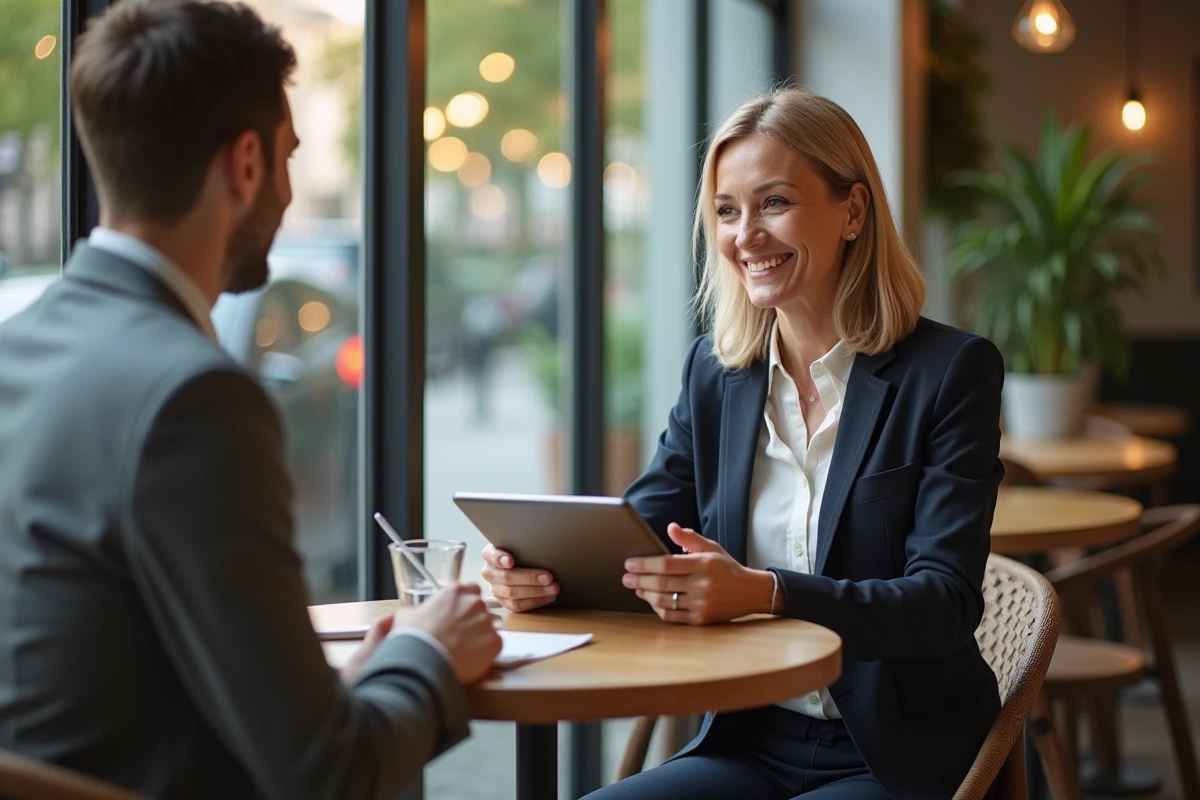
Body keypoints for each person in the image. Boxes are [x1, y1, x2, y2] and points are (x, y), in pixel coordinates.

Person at [0, 2, 501, 798]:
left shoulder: (17, 347)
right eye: (288, 155)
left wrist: (347, 689)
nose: (290, 187)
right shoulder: (193, 400)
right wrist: (429, 650)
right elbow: (328, 775)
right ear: (245, 163)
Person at [482, 88, 1004, 800]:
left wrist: (767, 592)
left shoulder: (949, 372)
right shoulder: (717, 373)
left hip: (899, 757)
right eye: (727, 211)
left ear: (853, 212)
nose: (746, 235)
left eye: (774, 203)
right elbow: (641, 539)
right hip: (748, 739)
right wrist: (540, 574)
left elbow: (943, 604)